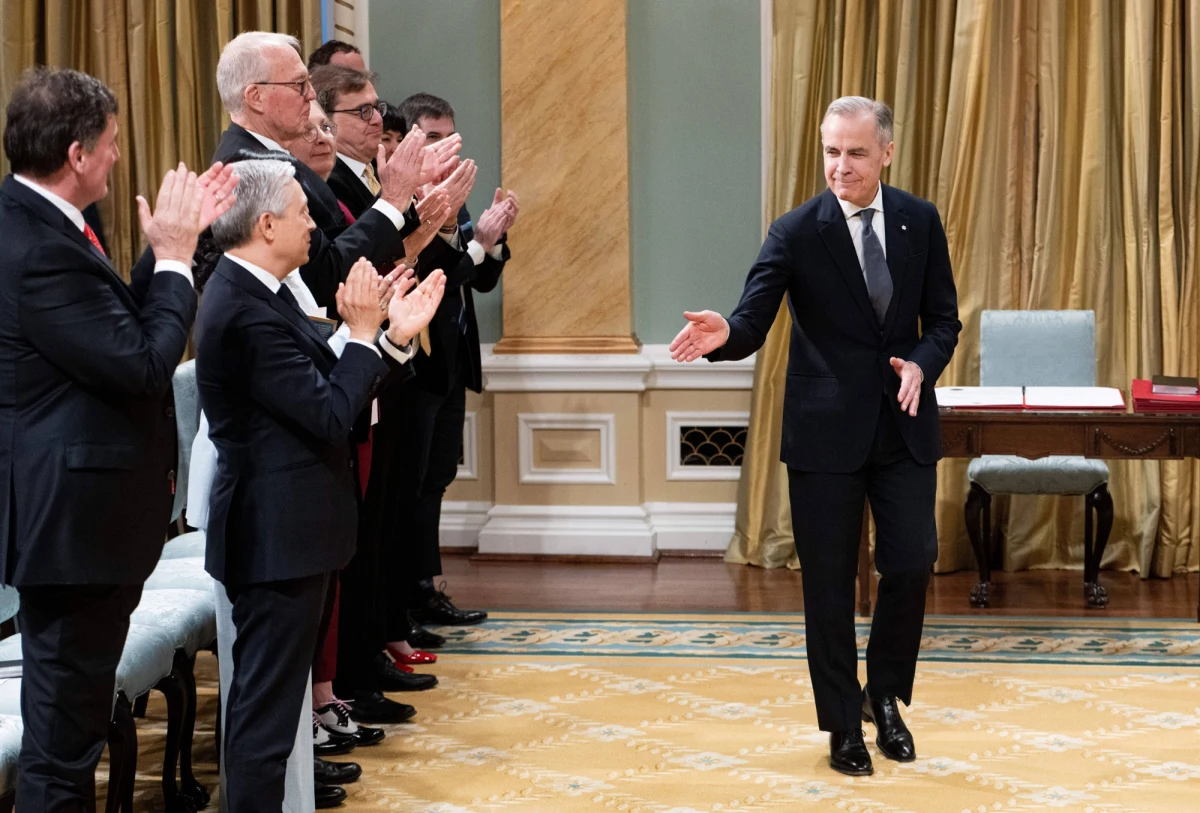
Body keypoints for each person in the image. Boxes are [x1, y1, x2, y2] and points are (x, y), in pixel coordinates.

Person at [669, 96, 961, 777]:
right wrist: (724, 333)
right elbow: (751, 320)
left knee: (912, 561)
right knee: (827, 583)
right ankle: (842, 724)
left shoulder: (919, 220)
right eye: (832, 151)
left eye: (856, 152)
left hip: (904, 426)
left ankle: (883, 694)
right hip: (825, 434)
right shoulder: (796, 231)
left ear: (886, 153)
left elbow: (944, 319)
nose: (841, 166)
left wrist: (922, 363)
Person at [0, 66, 236, 811]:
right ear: (77, 154)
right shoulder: (35, 245)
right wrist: (173, 257)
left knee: (69, 735)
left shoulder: (42, 223)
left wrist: (173, 249)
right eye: (109, 142)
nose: (116, 155)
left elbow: (110, 334)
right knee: (62, 746)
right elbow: (141, 364)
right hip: (72, 533)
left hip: (78, 528)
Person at [195, 157, 445, 811]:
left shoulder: (267, 292)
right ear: (266, 224)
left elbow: (326, 389)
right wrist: (363, 332)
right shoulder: (242, 306)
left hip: (293, 532)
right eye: (303, 212)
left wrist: (390, 340)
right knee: (264, 721)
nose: (315, 225)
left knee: (274, 716)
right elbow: (331, 413)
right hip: (273, 538)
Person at [378, 93, 519, 648]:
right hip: (414, 364)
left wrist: (492, 242)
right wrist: (477, 246)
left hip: (453, 361)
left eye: (450, 136)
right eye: (433, 137)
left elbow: (476, 279)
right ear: (411, 142)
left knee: (435, 480)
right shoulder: (409, 203)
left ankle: (424, 587)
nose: (445, 147)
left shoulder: (452, 199)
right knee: (409, 486)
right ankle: (403, 599)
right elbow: (444, 272)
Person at [212, 31, 460, 311]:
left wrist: (402, 196)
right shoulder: (248, 165)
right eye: (299, 84)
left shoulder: (266, 155)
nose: (311, 94)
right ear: (256, 97)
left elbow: (339, 241)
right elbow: (323, 275)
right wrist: (392, 200)